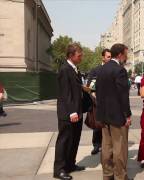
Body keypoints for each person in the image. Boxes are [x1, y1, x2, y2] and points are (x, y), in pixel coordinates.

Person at [96, 43, 132, 180]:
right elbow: (123, 96)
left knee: (106, 146)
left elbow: (98, 92)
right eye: (126, 53)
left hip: (104, 115)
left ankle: (107, 175)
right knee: (120, 148)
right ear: (120, 54)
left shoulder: (102, 69)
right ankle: (120, 176)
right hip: (117, 116)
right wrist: (127, 114)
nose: (126, 56)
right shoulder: (120, 70)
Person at [54, 43, 86, 180]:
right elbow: (65, 93)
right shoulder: (65, 69)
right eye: (79, 55)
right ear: (71, 55)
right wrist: (72, 112)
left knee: (74, 140)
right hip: (68, 113)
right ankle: (59, 169)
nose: (81, 57)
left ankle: (70, 164)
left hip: (77, 111)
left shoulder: (74, 69)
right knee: (64, 140)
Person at [86, 48, 111, 155]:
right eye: (108, 57)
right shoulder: (95, 70)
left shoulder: (115, 69)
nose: (110, 59)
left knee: (109, 125)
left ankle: (108, 144)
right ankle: (96, 145)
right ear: (103, 57)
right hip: (97, 102)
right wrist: (94, 95)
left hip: (110, 102)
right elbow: (89, 86)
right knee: (97, 125)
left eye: (111, 57)